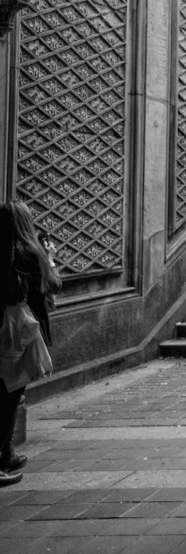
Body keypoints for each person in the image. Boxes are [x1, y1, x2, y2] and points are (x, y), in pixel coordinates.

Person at [1, 201, 58, 486]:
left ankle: (6, 453)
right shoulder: (28, 253)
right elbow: (51, 285)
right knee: (11, 395)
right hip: (19, 328)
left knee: (6, 391)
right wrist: (49, 257)